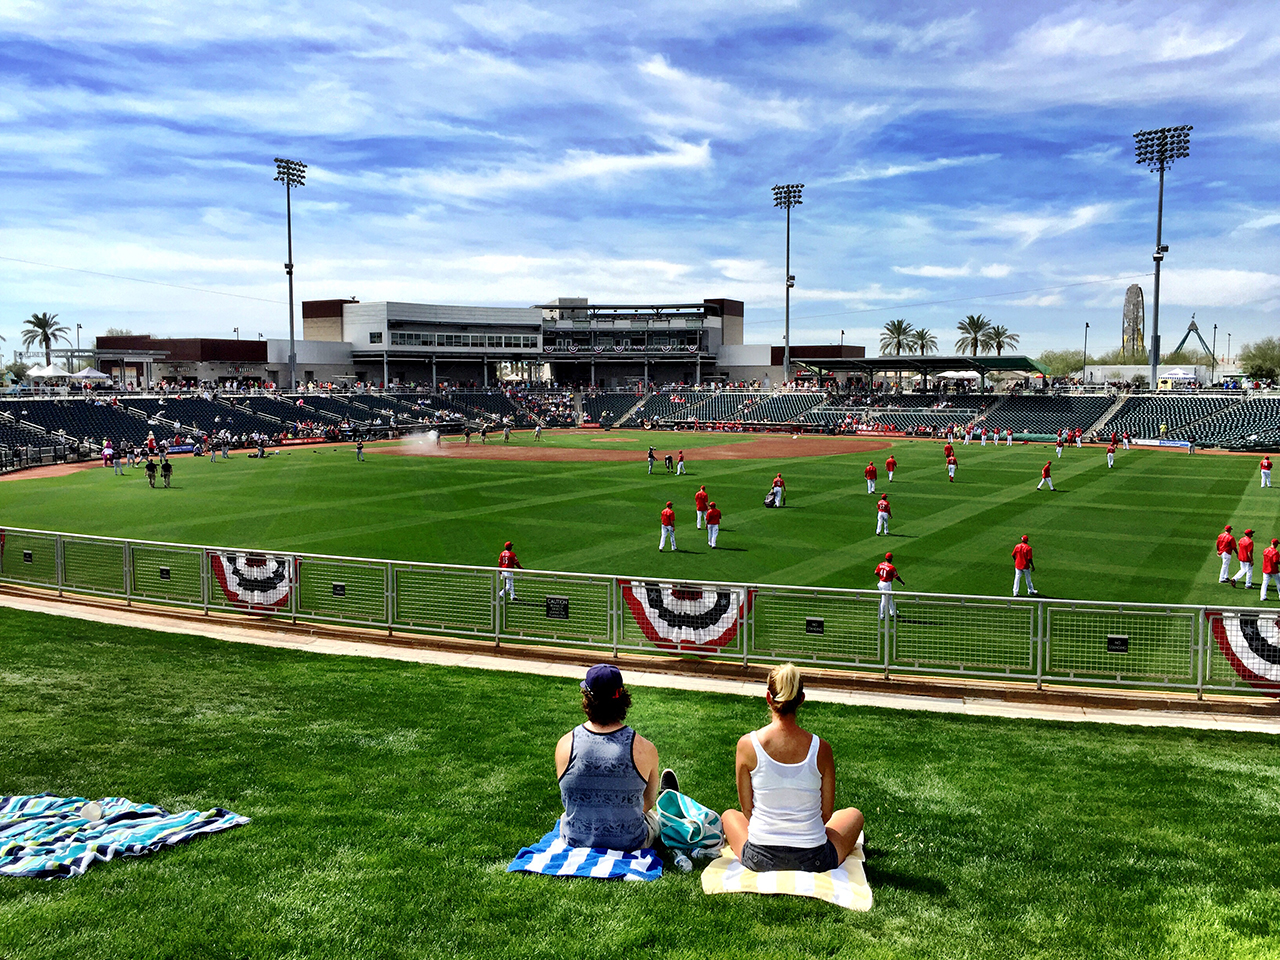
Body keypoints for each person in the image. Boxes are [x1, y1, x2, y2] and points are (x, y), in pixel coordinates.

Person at [720, 664, 864, 874]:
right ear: (801, 699)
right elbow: (826, 814)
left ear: (769, 698)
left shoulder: (747, 745)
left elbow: (748, 810)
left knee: (729, 816)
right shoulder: (821, 748)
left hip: (760, 857)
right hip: (814, 858)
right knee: (854, 815)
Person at [555, 664, 662, 851]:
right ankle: (672, 798)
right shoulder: (645, 748)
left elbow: (569, 798)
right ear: (622, 697)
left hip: (575, 839)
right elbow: (648, 802)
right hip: (630, 842)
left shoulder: (565, 744)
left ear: (586, 698)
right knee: (656, 816)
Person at [875, 552, 903, 620]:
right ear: (891, 559)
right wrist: (902, 582)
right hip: (886, 584)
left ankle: (892, 612)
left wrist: (882, 577)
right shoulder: (891, 567)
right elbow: (896, 576)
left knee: (889, 598)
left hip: (880, 583)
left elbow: (876, 572)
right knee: (884, 600)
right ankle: (881, 615)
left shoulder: (880, 564)